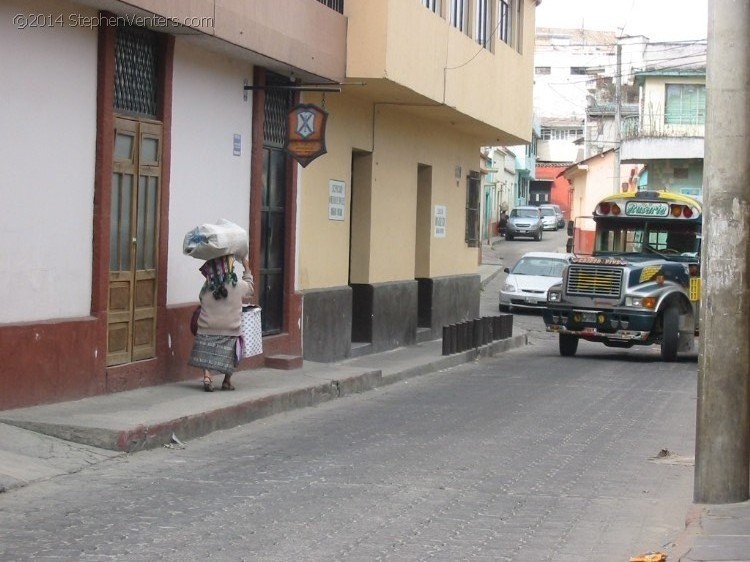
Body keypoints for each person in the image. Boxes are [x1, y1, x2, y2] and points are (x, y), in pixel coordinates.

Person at [188, 254, 254, 392]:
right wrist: (246, 267)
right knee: (234, 352)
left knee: (207, 350)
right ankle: (227, 381)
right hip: (230, 329)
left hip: (207, 328)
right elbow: (250, 288)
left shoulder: (205, 289)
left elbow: (202, 298)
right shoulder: (237, 286)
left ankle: (207, 376)